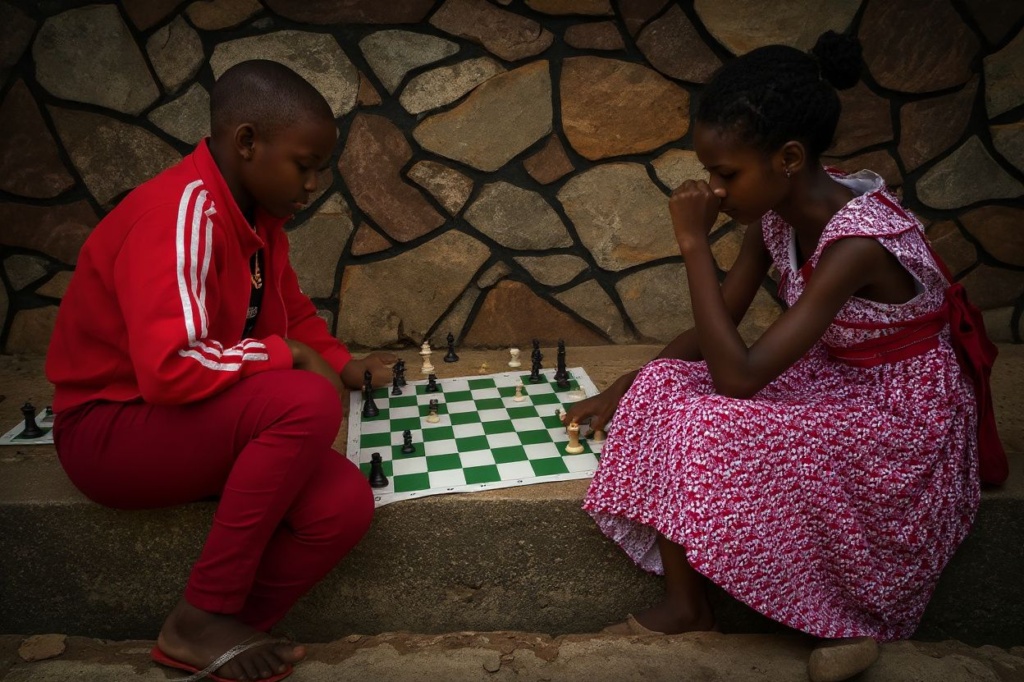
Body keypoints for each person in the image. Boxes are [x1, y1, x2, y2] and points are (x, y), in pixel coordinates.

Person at [563, 32, 1005, 682]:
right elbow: (721, 331)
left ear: (789, 157)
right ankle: (688, 607)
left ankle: (841, 620)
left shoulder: (857, 244)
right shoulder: (774, 216)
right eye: (710, 173)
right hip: (839, 379)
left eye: (726, 173)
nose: (712, 191)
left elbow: (738, 378)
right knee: (664, 386)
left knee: (716, 421)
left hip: (903, 420)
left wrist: (691, 248)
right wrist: (633, 381)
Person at [45, 60, 397, 682]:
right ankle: (199, 617)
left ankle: (231, 627)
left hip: (178, 424)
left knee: (344, 505)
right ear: (246, 141)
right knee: (302, 403)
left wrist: (341, 364)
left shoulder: (259, 220)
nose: (314, 184)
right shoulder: (181, 216)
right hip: (110, 429)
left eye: (321, 169)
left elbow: (288, 313)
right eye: (304, 164)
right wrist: (286, 357)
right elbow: (169, 369)